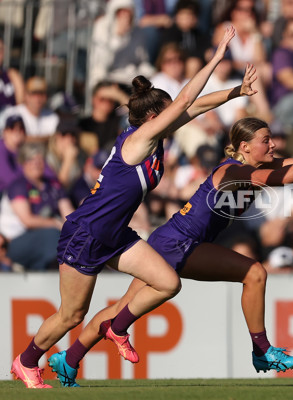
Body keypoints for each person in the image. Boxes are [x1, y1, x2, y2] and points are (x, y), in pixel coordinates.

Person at [10, 27, 253, 389]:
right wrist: (217, 56)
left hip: (115, 235)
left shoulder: (154, 135)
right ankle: (27, 361)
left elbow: (195, 105)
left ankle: (116, 326)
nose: (175, 113)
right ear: (154, 116)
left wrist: (237, 92)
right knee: (72, 314)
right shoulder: (139, 140)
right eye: (167, 111)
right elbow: (187, 99)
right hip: (87, 233)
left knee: (168, 282)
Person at [47, 117, 293, 386]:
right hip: (173, 243)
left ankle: (70, 358)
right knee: (251, 273)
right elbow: (278, 177)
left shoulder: (255, 163)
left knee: (253, 274)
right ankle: (262, 351)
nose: (273, 145)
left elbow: (288, 165)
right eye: (266, 141)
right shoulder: (232, 172)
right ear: (245, 147)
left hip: (189, 243)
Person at [0, 143, 75, 271]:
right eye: (31, 160)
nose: (36, 163)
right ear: (23, 163)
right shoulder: (18, 186)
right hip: (13, 241)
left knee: (77, 235)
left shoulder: (53, 185)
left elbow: (70, 215)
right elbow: (28, 221)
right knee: (54, 236)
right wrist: (56, 223)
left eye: (39, 159)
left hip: (42, 239)